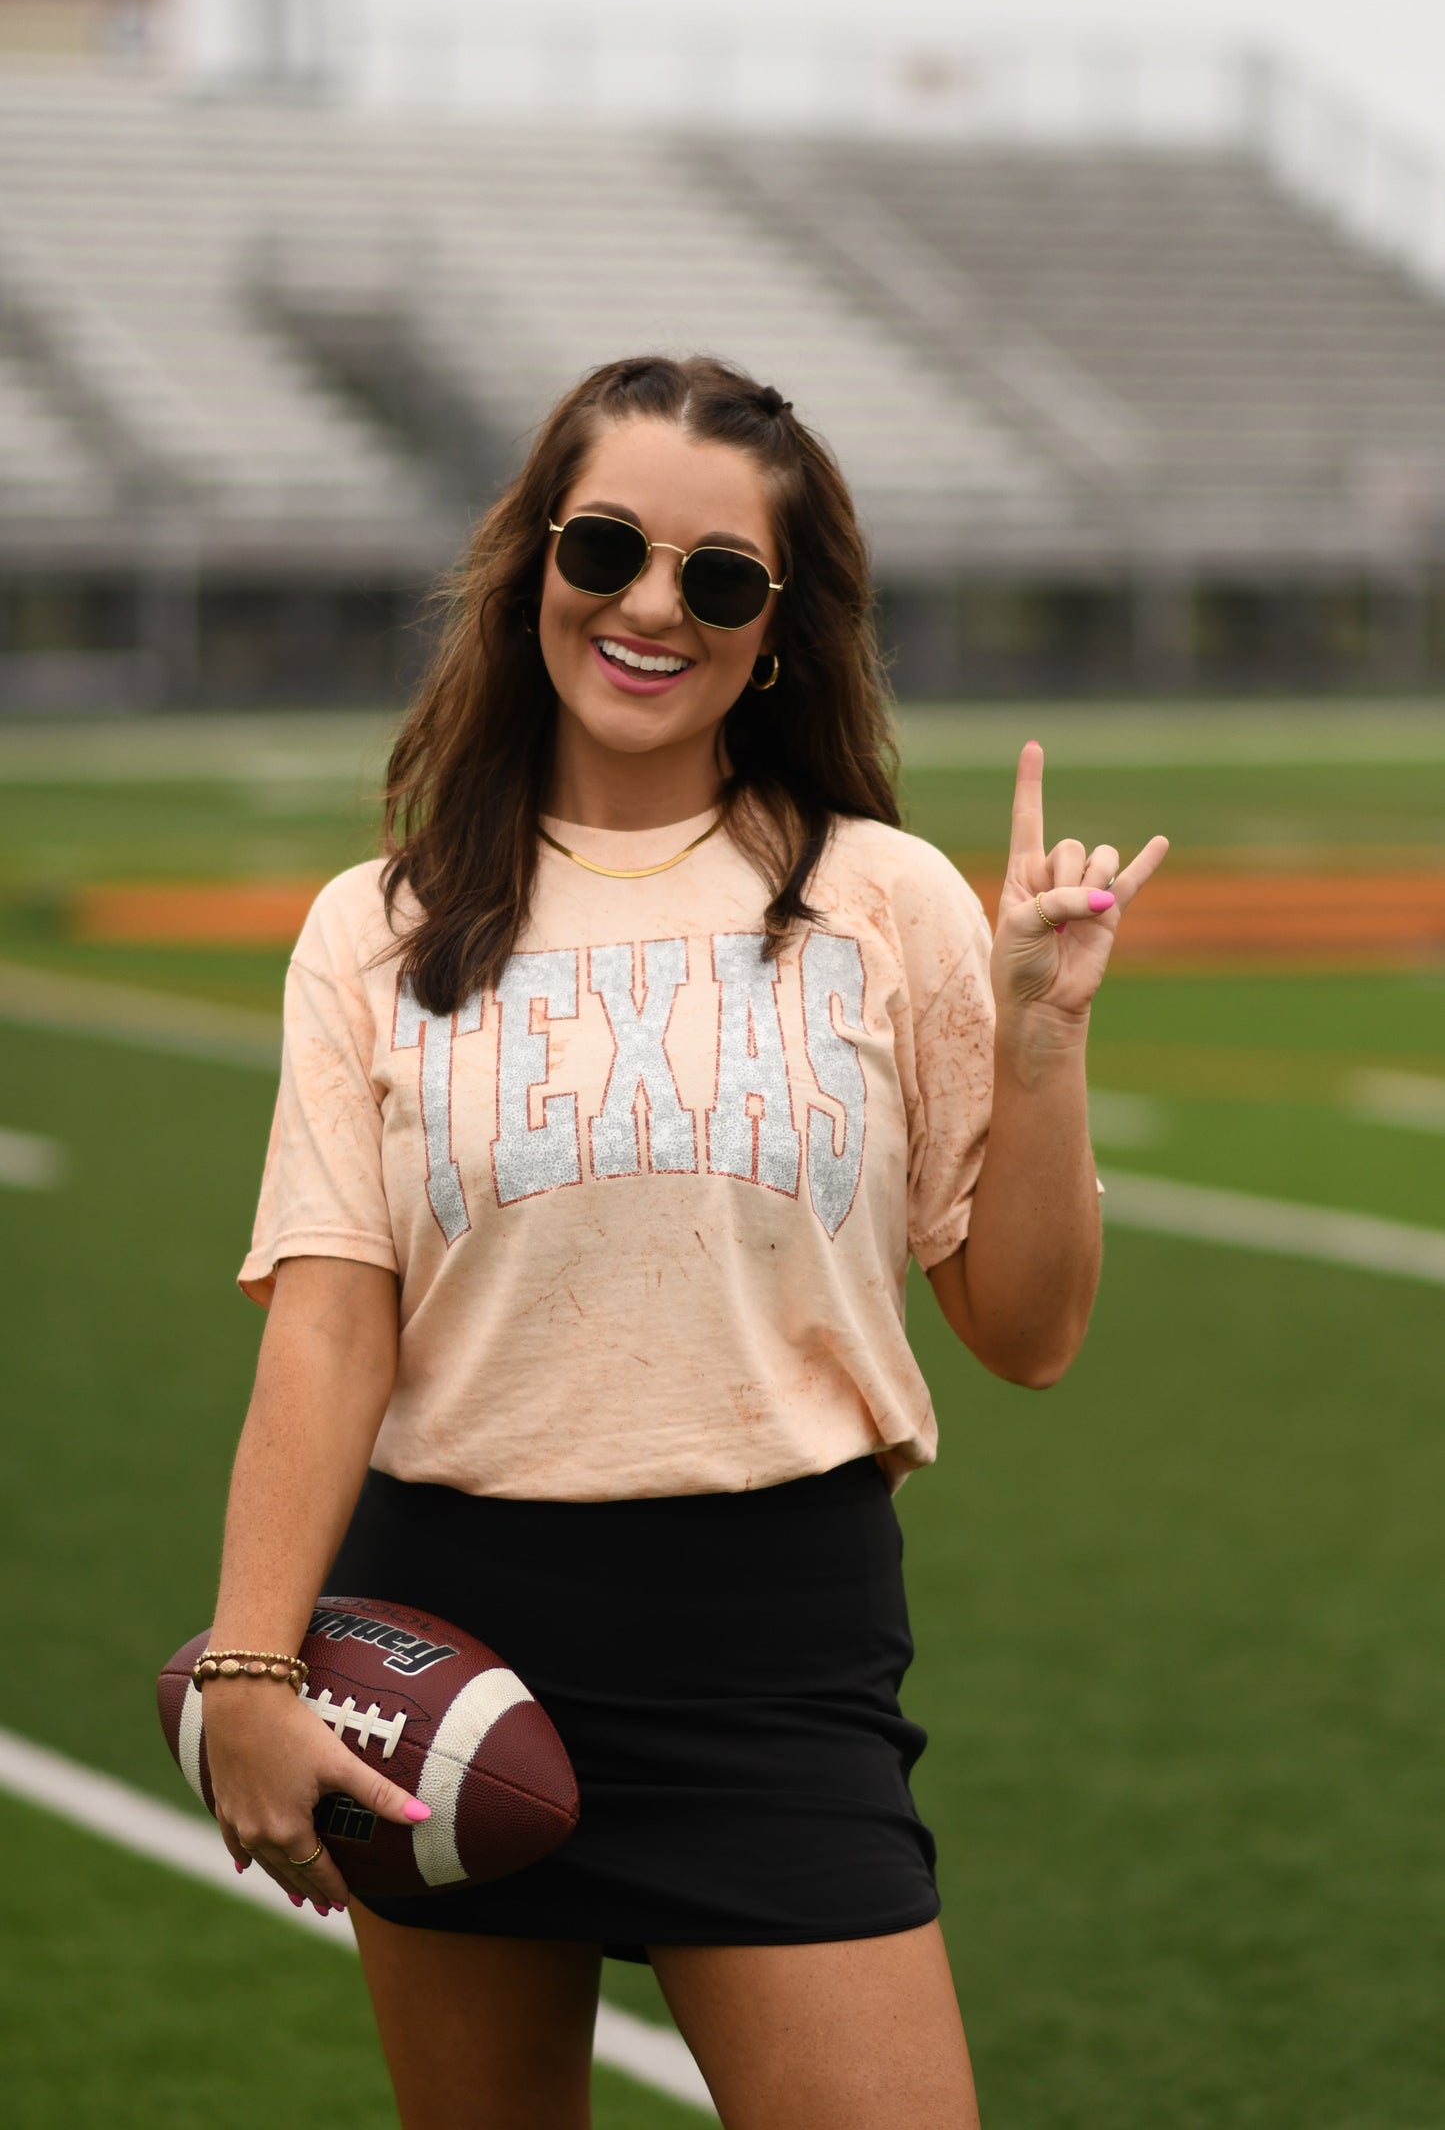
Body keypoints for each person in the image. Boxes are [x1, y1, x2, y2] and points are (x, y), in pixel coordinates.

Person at [199, 352, 1168, 2130]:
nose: (653, 606)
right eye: (606, 550)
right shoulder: (377, 929)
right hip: (443, 1646)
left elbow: (1025, 1332)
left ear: (778, 628)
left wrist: (1039, 1038)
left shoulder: (882, 900)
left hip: (773, 1655)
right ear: (534, 571)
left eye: (718, 578)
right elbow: (331, 1322)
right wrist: (253, 1665)